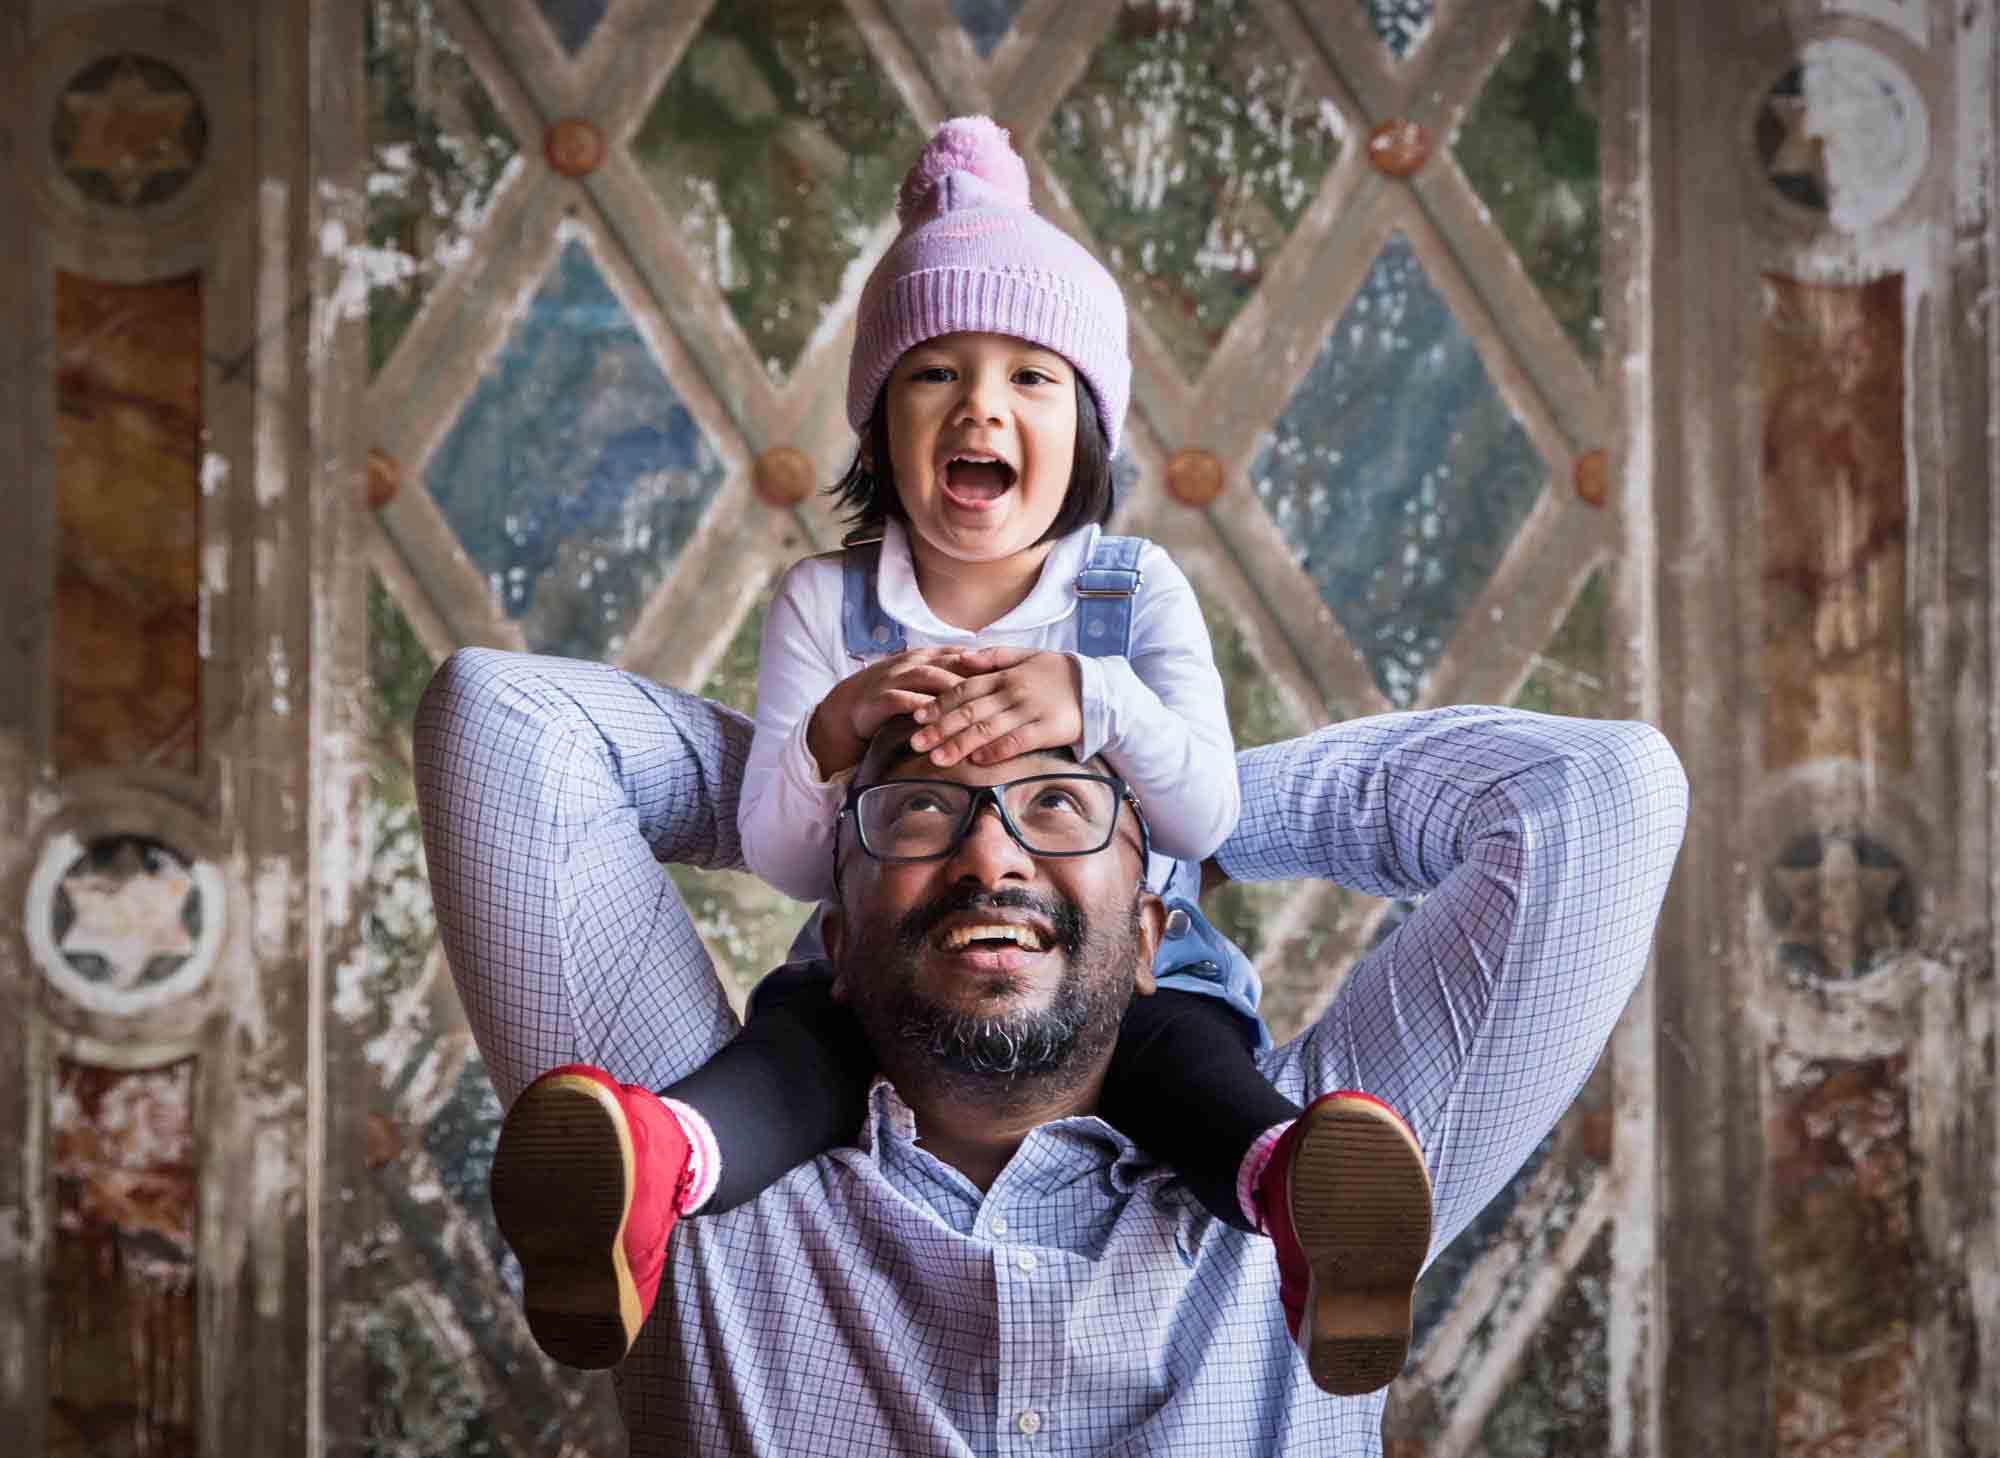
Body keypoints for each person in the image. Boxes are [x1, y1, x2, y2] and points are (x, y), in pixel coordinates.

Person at [466, 114, 1432, 1396]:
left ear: (1087, 429)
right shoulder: (830, 603)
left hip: (1124, 962)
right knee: (794, 1057)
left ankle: (1303, 1205)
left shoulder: (1126, 594)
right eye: (935, 374)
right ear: (878, 429)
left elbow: (1202, 813)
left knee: (1185, 1067)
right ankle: (647, 1174)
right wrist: (834, 726)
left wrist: (1097, 701)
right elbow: (782, 856)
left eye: (1031, 377)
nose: (981, 403)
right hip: (884, 949)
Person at [413, 651, 1687, 1454]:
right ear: (833, 940)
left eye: (1059, 808)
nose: (992, 855)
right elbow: (505, 723)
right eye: (920, 812)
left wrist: (1196, 803)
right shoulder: (675, 1180)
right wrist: (813, 772)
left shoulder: (1329, 1184)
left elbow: (1599, 792)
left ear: (1152, 934)